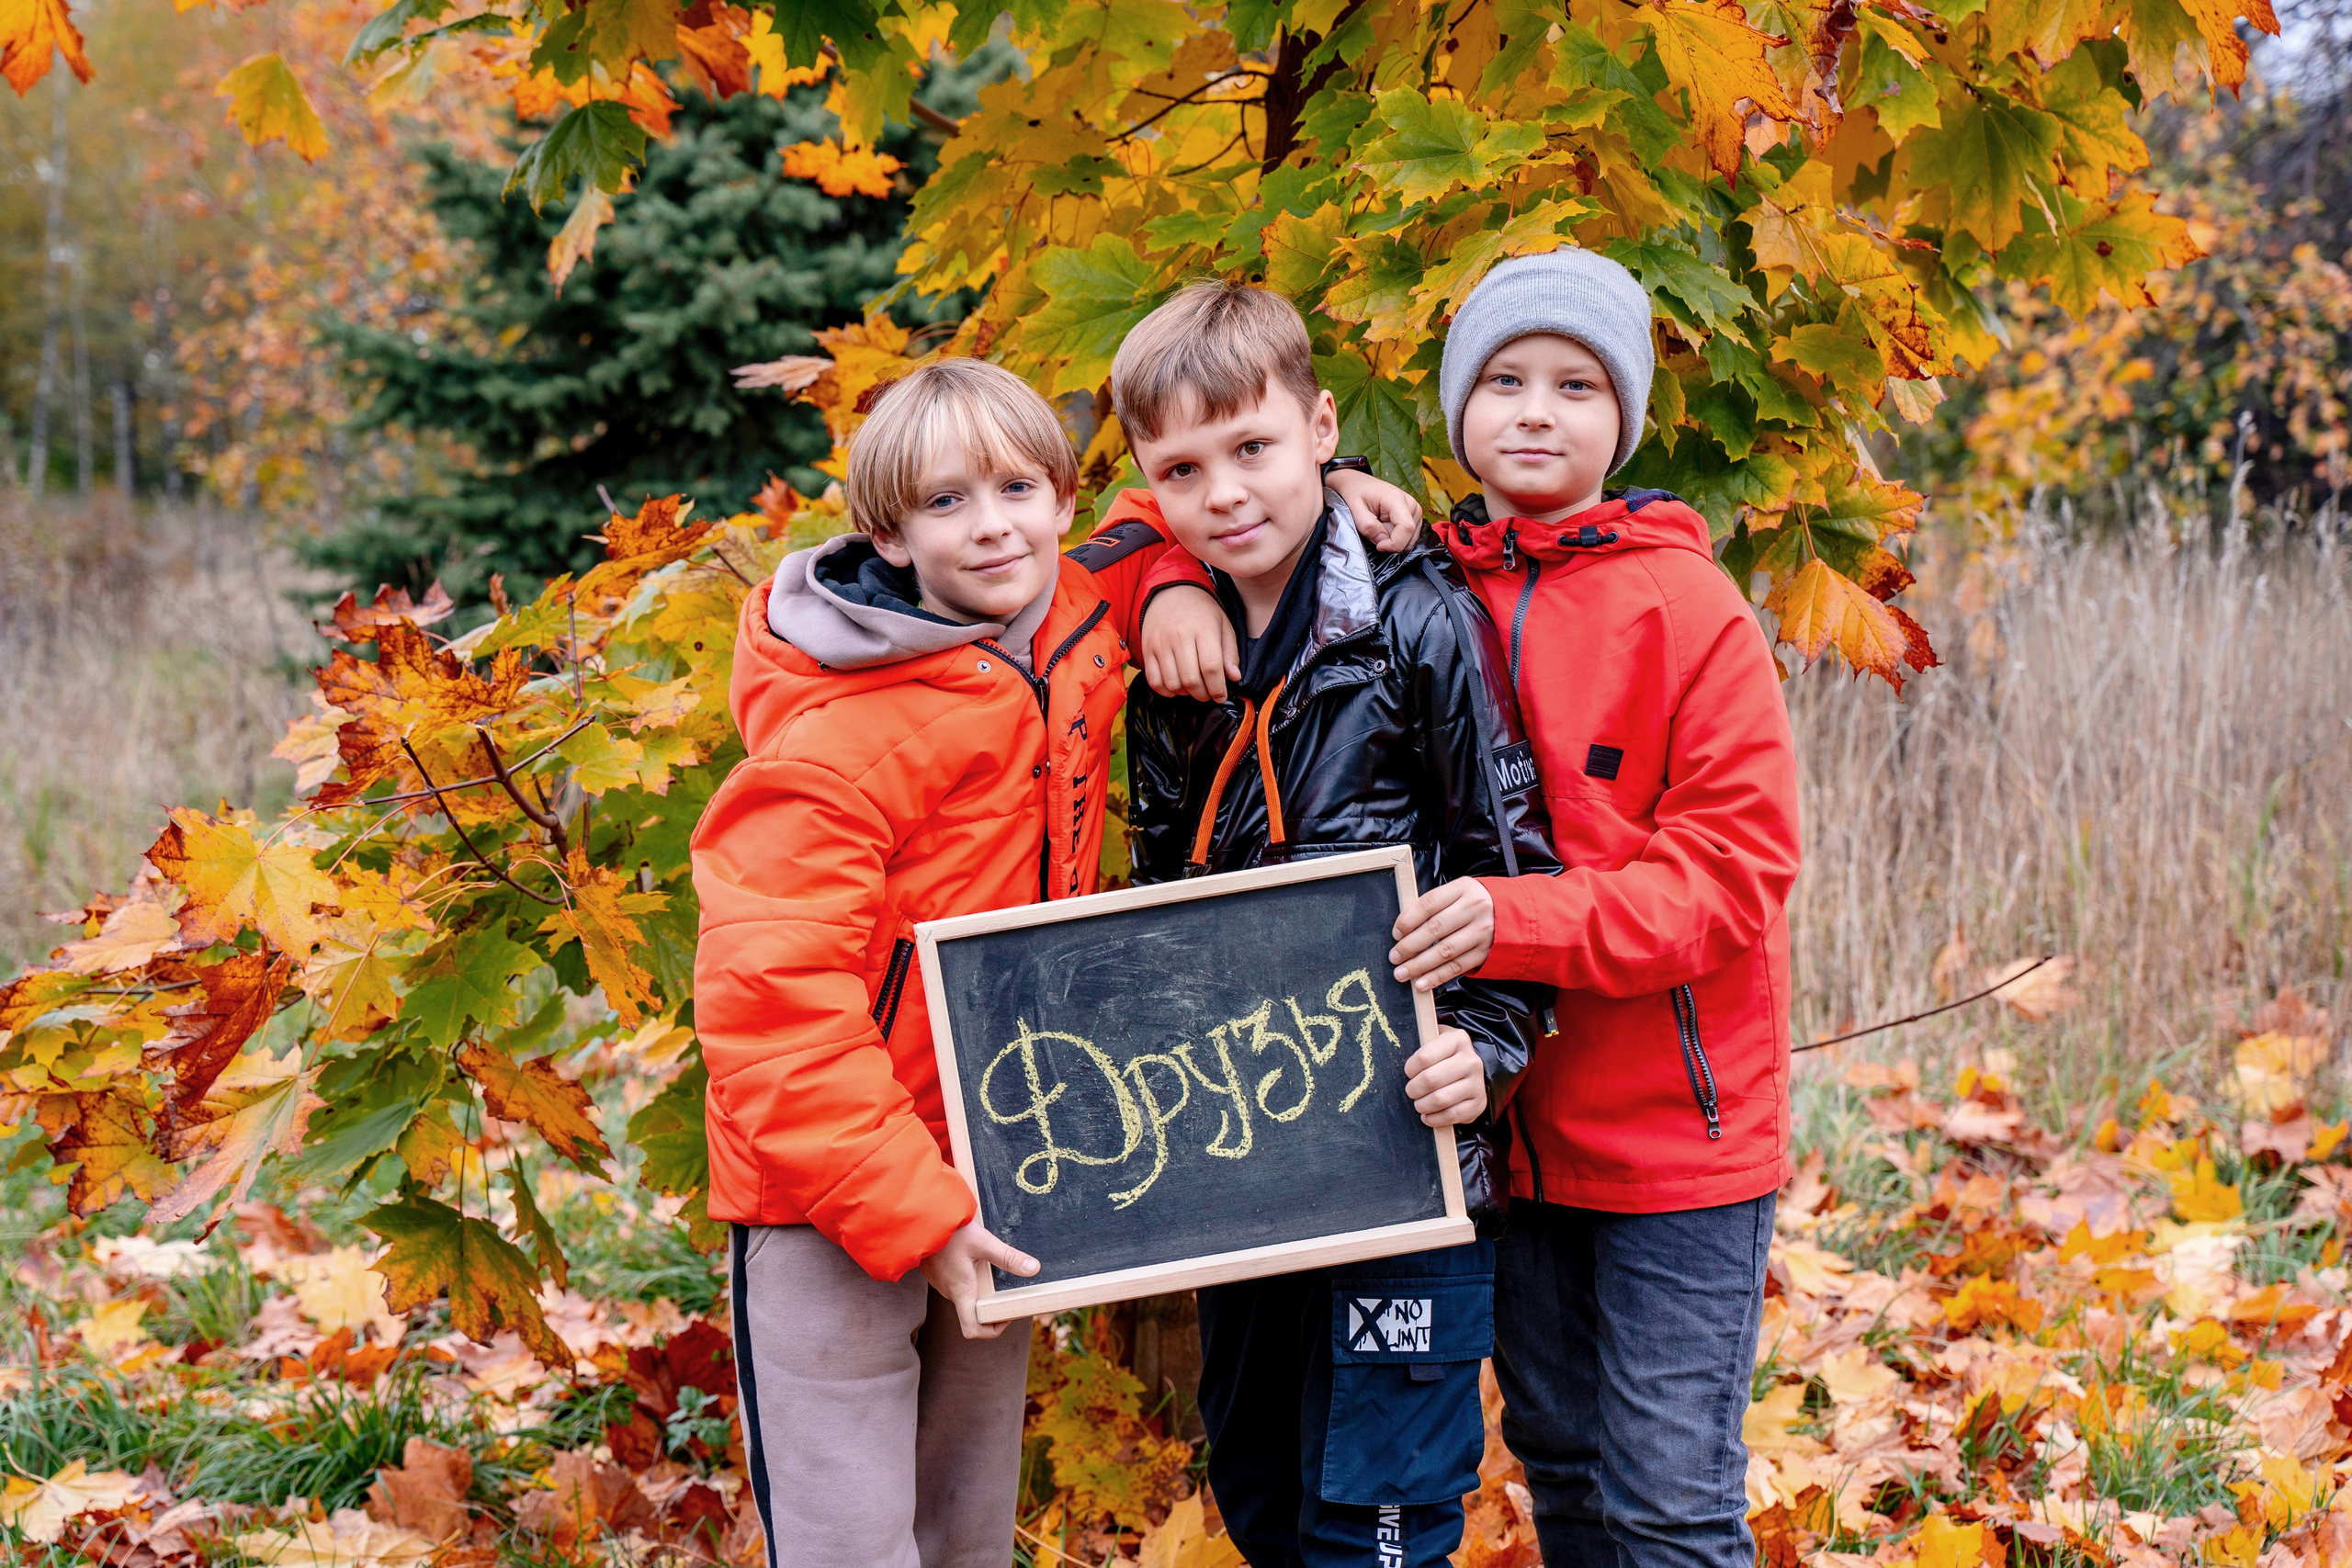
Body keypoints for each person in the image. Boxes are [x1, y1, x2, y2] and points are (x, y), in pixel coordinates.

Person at [689, 355, 1424, 1567]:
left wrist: (1310, 496)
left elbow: (1186, 504)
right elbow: (772, 1014)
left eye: (1018, 489)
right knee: (851, 1546)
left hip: (1000, 1159)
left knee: (968, 1530)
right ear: (886, 529)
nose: (991, 526)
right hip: (829, 1191)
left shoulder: (1077, 619)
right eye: (944, 504)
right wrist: (910, 1211)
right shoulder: (835, 737)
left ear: (1063, 498)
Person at [1107, 280, 1558, 1568]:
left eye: (1252, 448)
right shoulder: (1172, 659)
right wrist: (1153, 584)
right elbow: (1156, 897)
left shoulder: (1418, 625)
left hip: (1403, 1153)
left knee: (1375, 1514)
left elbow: (1507, 865)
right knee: (1256, 1481)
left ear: (1318, 428)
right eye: (1182, 471)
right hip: (1240, 1152)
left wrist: (1487, 1044)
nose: (1226, 493)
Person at [1383, 250, 1804, 1568]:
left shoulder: (1689, 608)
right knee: (1559, 1473)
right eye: (1503, 379)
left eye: (1576, 384)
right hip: (1502, 1133)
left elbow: (1737, 869)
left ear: (1623, 417)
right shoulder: (1415, 591)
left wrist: (1519, 921)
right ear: (1458, 409)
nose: (1534, 411)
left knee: (1670, 1504)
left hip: (1677, 1137)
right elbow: (1218, 497)